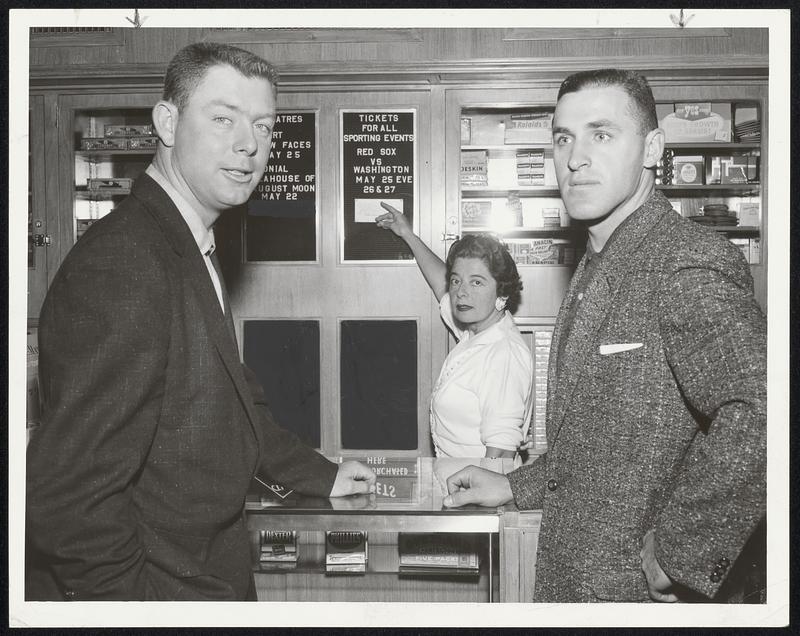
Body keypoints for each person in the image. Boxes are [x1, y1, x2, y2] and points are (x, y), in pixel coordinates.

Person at [26, 42, 375, 601]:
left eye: (264, 126)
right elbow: (73, 500)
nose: (248, 144)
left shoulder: (186, 244)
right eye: (222, 118)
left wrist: (320, 473)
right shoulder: (125, 263)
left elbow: (228, 402)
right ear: (167, 122)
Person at [442, 69, 767, 603]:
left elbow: (765, 404)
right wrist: (513, 485)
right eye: (563, 137)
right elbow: (598, 447)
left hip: (630, 597)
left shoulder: (683, 262)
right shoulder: (600, 261)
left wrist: (681, 549)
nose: (575, 158)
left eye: (602, 134)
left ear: (652, 149)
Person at [376, 204, 533, 459]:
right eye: (457, 280)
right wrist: (408, 234)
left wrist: (470, 498)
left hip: (476, 490)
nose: (461, 292)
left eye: (477, 282)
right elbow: (441, 282)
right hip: (457, 483)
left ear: (502, 293)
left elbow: (501, 454)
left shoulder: (503, 355)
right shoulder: (476, 332)